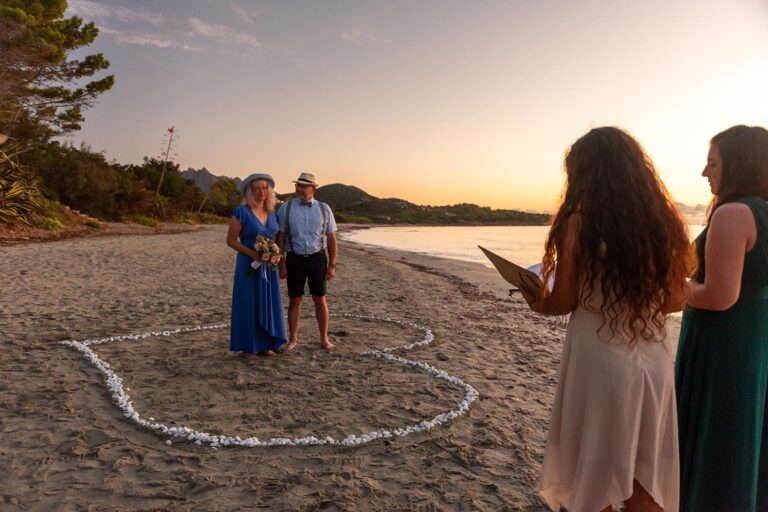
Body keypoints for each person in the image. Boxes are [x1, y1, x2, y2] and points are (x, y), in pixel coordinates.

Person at [520, 127, 690, 512]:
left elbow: (562, 301)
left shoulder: (580, 224)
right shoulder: (663, 221)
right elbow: (676, 299)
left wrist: (536, 299)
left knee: (593, 473)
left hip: (598, 360)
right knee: (645, 473)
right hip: (652, 361)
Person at [675, 125, 768, 511]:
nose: (704, 172)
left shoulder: (733, 213)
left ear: (738, 164)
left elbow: (718, 296)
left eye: (712, 163)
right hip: (757, 343)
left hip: (725, 348)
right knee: (747, 443)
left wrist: (675, 289)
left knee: (717, 442)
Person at [226, 173, 288, 362]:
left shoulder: (273, 214)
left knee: (269, 302)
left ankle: (266, 344)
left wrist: (278, 257)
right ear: (250, 192)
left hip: (270, 266)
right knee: (249, 302)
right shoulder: (242, 212)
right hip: (249, 265)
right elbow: (230, 241)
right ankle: (248, 347)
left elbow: (279, 240)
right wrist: (252, 254)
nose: (261, 191)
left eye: (265, 188)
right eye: (257, 188)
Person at [276, 172, 338, 351]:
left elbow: (331, 239)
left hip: (318, 259)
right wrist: (282, 264)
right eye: (298, 185)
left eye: (303, 186)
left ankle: (324, 339)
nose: (299, 189)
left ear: (313, 189)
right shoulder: (286, 208)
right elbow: (280, 237)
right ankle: (293, 339)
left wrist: (332, 265)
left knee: (320, 300)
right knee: (295, 300)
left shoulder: (324, 209)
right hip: (294, 258)